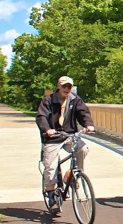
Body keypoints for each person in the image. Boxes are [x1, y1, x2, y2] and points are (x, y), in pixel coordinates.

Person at [36, 76, 95, 210]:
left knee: (82, 148)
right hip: (53, 137)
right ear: (58, 86)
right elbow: (41, 117)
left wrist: (88, 124)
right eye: (64, 86)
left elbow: (83, 113)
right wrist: (47, 129)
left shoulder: (75, 99)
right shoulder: (48, 101)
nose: (67, 89)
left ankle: (72, 174)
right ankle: (51, 194)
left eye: (69, 86)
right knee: (51, 167)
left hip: (69, 135)